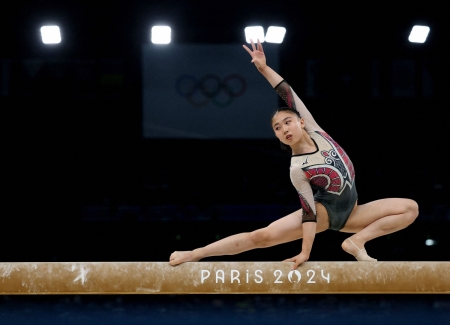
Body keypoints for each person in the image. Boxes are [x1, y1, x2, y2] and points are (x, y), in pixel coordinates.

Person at [169, 40, 418, 269]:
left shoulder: (317, 131)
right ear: (277, 137)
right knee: (261, 237)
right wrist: (305, 252)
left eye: (288, 122)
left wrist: (263, 68)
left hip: (353, 212)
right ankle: (195, 253)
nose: (284, 129)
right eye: (278, 128)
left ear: (301, 122)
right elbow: (308, 213)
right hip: (324, 213)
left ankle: (357, 242)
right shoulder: (298, 168)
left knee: (410, 208)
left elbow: (285, 91)